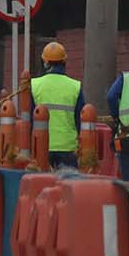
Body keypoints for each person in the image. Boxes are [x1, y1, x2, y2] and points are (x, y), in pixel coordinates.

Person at [29, 41, 84, 169]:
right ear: (64, 61)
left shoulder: (34, 85)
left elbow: (30, 120)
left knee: (40, 180)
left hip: (41, 146)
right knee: (67, 181)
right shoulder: (75, 86)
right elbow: (80, 120)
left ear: (45, 62)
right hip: (68, 148)